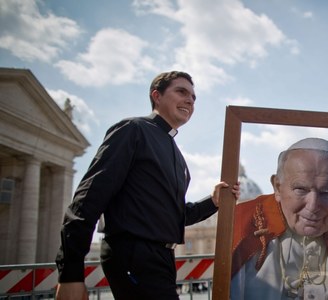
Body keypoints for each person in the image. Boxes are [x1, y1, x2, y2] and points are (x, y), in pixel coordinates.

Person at [54, 71, 240, 300]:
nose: (190, 100)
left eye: (193, 97)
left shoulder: (178, 157)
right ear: (157, 96)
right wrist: (71, 273)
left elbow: (174, 215)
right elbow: (88, 198)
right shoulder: (133, 130)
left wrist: (212, 202)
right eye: (181, 92)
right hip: (134, 254)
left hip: (160, 257)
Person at [230, 137, 328, 299]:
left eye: (326, 192)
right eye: (301, 189)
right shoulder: (246, 226)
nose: (313, 206)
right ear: (278, 187)